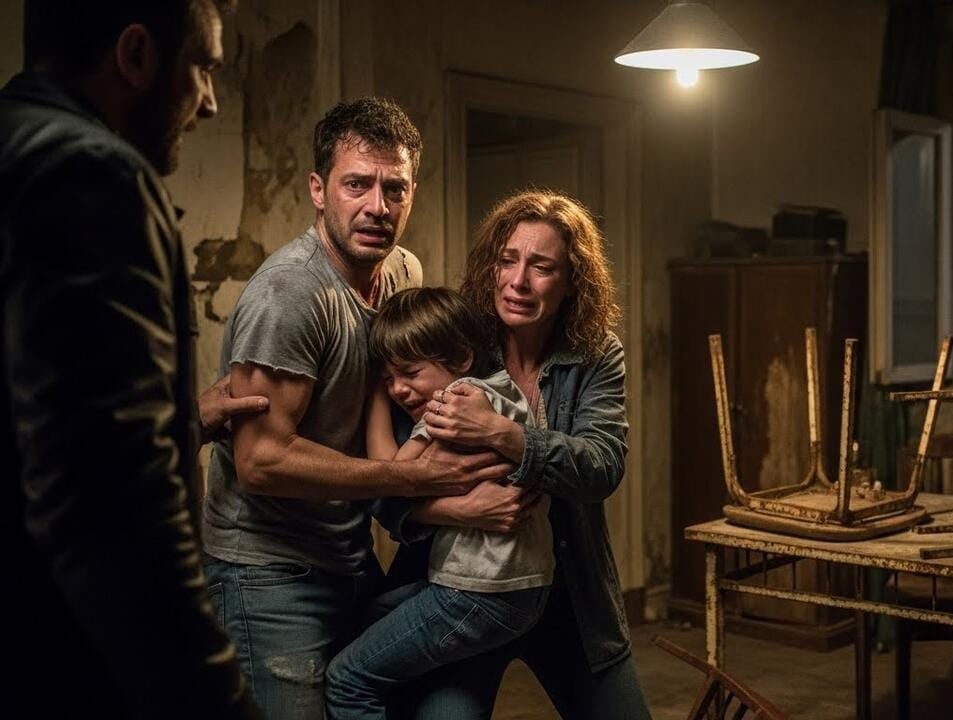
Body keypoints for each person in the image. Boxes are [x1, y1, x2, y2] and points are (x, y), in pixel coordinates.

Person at [201, 96, 515, 717]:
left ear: (412, 193)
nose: (378, 206)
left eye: (394, 188)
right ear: (319, 191)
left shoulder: (401, 273)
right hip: (268, 574)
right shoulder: (290, 294)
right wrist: (413, 479)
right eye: (357, 184)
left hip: (349, 555)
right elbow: (260, 462)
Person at [2, 1, 263, 717]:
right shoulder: (89, 172)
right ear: (137, 54)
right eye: (203, 68)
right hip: (56, 664)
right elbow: (112, 508)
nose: (209, 103)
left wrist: (180, 419)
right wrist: (216, 699)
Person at [396, 190, 651, 719]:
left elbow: (602, 466)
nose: (518, 281)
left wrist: (500, 432)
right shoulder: (455, 342)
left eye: (542, 267)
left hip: (569, 595)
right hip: (465, 592)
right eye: (507, 260)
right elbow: (390, 484)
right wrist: (461, 510)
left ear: (572, 280)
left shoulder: (597, 353)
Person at [325, 287, 552, 719]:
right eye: (388, 379)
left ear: (462, 358)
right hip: (513, 587)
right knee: (372, 615)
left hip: (480, 593)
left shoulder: (460, 401)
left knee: (346, 680)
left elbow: (393, 474)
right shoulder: (499, 389)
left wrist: (374, 392)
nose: (399, 389)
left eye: (410, 372)